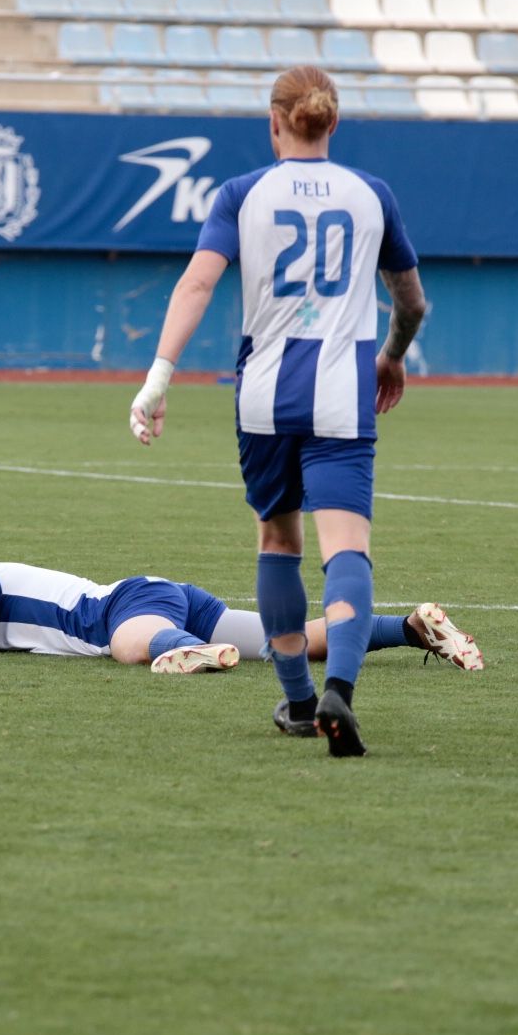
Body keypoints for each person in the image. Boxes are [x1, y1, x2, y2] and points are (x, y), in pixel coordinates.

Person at [128, 66, 429, 757]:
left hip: (263, 394)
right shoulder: (371, 195)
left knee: (278, 543)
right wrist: (393, 353)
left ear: (274, 123)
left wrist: (158, 377)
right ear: (332, 122)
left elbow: (198, 282)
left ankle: (297, 700)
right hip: (341, 392)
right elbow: (411, 301)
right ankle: (340, 693)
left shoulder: (241, 194)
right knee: (347, 549)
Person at [0, 563, 482, 695]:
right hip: (163, 594)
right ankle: (409, 627)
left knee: (123, 647)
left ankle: (190, 649)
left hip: (127, 604)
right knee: (286, 642)